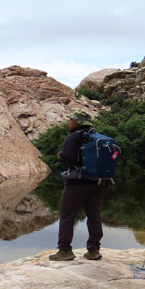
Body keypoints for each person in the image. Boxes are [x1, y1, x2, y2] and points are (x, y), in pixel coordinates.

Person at [49, 109, 105, 261]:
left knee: (67, 215)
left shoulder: (73, 137)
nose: (69, 122)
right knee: (94, 215)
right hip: (97, 181)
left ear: (78, 122)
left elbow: (67, 160)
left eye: (71, 120)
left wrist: (60, 156)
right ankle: (93, 250)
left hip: (77, 182)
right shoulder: (94, 137)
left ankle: (65, 250)